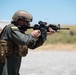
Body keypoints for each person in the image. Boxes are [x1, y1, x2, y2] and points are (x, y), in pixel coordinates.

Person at [0, 10, 55, 75]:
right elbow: (23, 40)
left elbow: (33, 45)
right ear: (19, 20)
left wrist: (44, 35)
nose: (28, 24)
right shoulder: (11, 28)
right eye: (27, 22)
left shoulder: (20, 33)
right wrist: (32, 35)